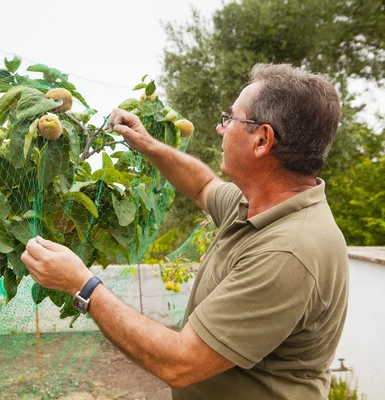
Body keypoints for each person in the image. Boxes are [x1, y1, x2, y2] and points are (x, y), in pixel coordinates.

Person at [21, 64, 349, 399]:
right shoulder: (254, 203)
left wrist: (82, 284)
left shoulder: (287, 253)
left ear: (262, 140)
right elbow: (202, 185)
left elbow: (181, 362)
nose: (221, 129)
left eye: (231, 118)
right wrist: (149, 145)